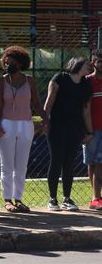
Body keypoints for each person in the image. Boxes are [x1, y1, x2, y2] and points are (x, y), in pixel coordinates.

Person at [0, 46, 47, 213]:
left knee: (22, 165)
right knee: (7, 164)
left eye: (13, 60)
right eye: (7, 60)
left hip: (26, 125)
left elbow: (37, 103)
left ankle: (19, 199)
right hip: (6, 124)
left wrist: (46, 119)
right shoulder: (2, 81)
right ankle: (7, 200)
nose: (9, 62)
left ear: (21, 62)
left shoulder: (29, 80)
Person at [43, 57, 93, 212]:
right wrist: (45, 121)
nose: (89, 67)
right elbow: (49, 100)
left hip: (75, 128)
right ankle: (52, 199)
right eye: (86, 65)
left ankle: (66, 198)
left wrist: (89, 131)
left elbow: (86, 111)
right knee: (56, 160)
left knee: (69, 162)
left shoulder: (85, 85)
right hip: (57, 126)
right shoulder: (60, 78)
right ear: (78, 64)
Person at [86, 50, 102, 210]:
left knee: (99, 162)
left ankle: (96, 197)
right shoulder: (87, 82)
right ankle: (95, 196)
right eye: (99, 61)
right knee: (91, 162)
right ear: (93, 63)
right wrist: (85, 129)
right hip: (90, 129)